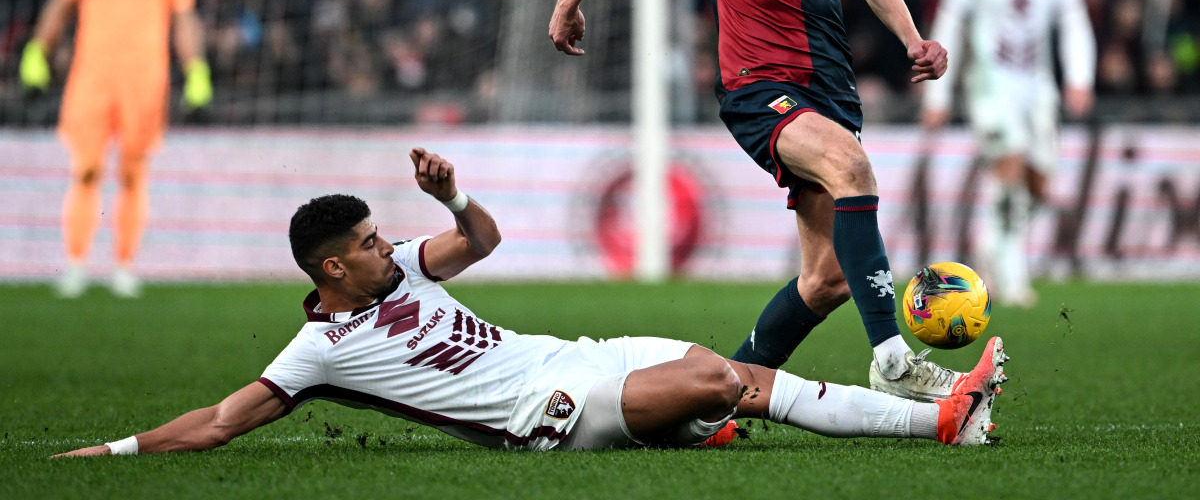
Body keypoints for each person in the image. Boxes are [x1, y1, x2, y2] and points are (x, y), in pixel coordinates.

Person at [55, 147, 1008, 458]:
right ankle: (940, 418)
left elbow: (480, 241)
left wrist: (451, 200)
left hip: (567, 353)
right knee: (729, 379)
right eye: (366, 246)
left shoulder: (405, 269)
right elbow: (223, 421)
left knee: (740, 377)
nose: (386, 249)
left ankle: (940, 422)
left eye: (383, 235)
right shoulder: (317, 355)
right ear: (329, 273)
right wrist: (114, 450)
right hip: (540, 413)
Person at [549, 0, 956, 401]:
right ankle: (893, 361)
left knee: (827, 279)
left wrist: (914, 39)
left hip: (831, 89)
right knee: (852, 168)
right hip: (757, 85)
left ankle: (722, 396)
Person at [19, 0, 212, 299]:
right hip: (91, 78)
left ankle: (124, 266)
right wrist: (37, 53)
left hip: (146, 81)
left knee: (132, 174)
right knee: (85, 171)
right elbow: (61, 5)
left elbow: (184, 18)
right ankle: (75, 265)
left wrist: (196, 71)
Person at [921, 0, 1096, 308]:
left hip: (1037, 90)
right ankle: (1011, 275)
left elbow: (1074, 22)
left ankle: (989, 241)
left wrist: (1079, 78)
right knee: (1010, 165)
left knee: (1038, 183)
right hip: (989, 89)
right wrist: (937, 93)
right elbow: (950, 28)